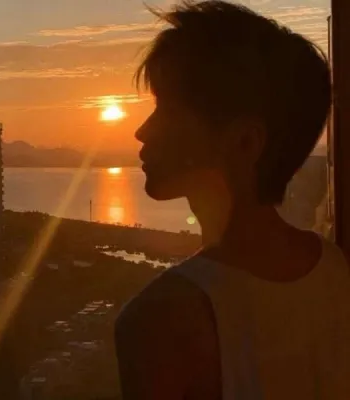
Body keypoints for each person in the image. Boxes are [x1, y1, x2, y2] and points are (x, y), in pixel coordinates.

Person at [114, 1, 350, 399]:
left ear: (244, 143)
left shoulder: (161, 320)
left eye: (164, 110)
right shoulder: (333, 269)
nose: (142, 131)